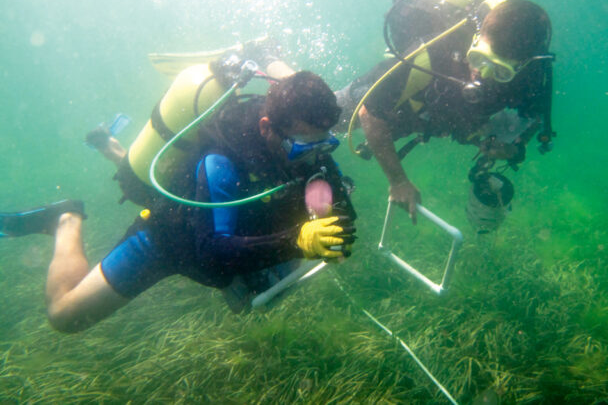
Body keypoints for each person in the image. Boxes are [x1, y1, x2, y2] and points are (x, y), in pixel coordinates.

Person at [0, 67, 356, 332]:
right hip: (173, 238)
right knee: (65, 316)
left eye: (325, 144)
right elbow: (212, 253)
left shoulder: (307, 143)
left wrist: (334, 224)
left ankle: (112, 149)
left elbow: (342, 211)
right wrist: (295, 241)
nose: (316, 156)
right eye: (305, 147)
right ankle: (65, 219)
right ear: (266, 128)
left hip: (241, 221)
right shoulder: (221, 162)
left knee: (261, 297)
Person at [335, 0, 555, 230]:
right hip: (406, 104)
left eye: (500, 71)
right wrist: (398, 181)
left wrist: (512, 148)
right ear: (477, 36)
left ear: (523, 65)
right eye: (479, 59)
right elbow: (369, 113)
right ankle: (272, 61)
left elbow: (533, 118)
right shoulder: (433, 50)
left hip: (445, 116)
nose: (482, 76)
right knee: (317, 115)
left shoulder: (533, 74)